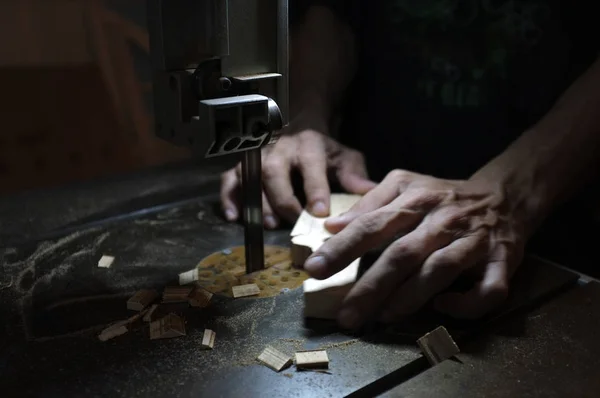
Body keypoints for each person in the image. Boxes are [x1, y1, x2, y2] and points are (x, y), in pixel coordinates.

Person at [220, 1, 600, 329]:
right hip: (373, 181)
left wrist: (517, 189)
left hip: (553, 224)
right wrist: (305, 116)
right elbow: (333, 11)